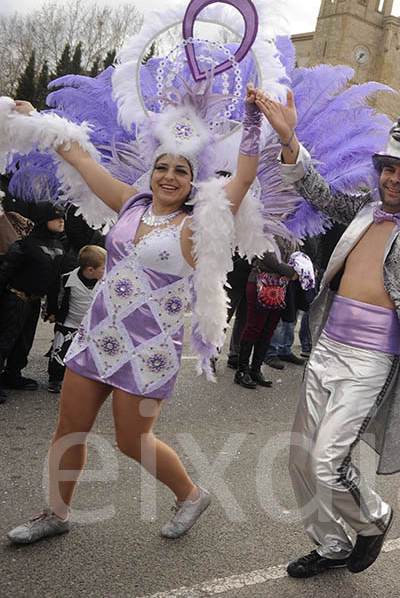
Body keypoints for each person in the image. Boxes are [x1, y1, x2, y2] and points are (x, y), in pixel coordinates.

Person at [4, 83, 264, 544]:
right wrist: (35, 118)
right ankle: (55, 513)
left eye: (180, 171)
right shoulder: (130, 202)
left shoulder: (198, 223)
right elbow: (80, 158)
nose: (168, 176)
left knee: (131, 441)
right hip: (98, 337)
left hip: (150, 351)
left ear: (193, 181)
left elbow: (242, 180)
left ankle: (190, 494)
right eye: (161, 166)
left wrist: (253, 122)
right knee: (69, 428)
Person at [257, 80, 400, 578]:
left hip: (373, 357)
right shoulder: (362, 210)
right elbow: (314, 188)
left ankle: (374, 517)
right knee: (300, 458)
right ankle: (330, 544)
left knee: (329, 460)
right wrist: (289, 140)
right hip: (327, 347)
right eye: (389, 169)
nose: (394, 179)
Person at [0, 202, 66, 403]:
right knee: (4, 341)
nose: (61, 221)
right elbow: (4, 273)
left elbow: (55, 281)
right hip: (15, 298)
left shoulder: (59, 246)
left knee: (24, 341)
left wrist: (53, 308)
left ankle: (12, 375)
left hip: (34, 302)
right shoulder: (24, 245)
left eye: (63, 217)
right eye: (56, 218)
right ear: (43, 220)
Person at [233, 236, 299, 389]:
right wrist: (291, 272)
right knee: (254, 327)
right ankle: (242, 371)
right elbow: (268, 256)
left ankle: (255, 369)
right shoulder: (265, 228)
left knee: (269, 329)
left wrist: (304, 269)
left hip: (279, 286)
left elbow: (297, 255)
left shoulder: (292, 232)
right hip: (260, 283)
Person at [45, 244, 107, 393]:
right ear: (90, 270)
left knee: (91, 355)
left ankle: (88, 379)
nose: (107, 272)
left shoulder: (106, 283)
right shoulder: (67, 279)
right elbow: (55, 296)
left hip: (93, 325)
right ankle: (55, 378)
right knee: (59, 353)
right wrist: (51, 312)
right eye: (104, 269)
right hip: (68, 323)